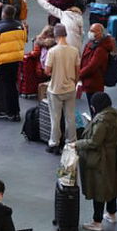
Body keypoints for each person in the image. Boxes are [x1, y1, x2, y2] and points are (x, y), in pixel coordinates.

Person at [76, 92, 117, 231]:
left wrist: (77, 144)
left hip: (102, 158)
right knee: (112, 184)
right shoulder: (115, 114)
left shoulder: (102, 120)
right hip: (114, 155)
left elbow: (94, 142)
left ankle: (97, 222)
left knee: (99, 187)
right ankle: (111, 213)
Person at [43, 25, 80, 154]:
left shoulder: (52, 51)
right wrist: (73, 83)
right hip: (70, 88)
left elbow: (47, 71)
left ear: (56, 36)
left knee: (55, 118)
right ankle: (71, 142)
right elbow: (77, 71)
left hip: (55, 89)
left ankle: (54, 143)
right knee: (70, 117)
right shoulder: (74, 50)